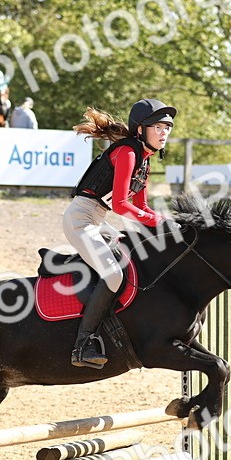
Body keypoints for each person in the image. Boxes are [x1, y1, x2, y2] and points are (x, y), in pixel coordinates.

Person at [63, 98, 174, 368]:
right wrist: (158, 222)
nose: (164, 133)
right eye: (158, 126)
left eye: (168, 128)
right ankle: (83, 344)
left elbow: (143, 206)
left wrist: (167, 222)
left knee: (134, 258)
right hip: (80, 219)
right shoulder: (127, 153)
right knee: (114, 275)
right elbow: (123, 206)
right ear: (140, 130)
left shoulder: (145, 161)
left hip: (99, 220)